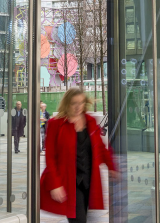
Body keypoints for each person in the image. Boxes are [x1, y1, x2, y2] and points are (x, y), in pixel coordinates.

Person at [41, 88, 118, 223]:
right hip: (68, 182)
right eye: (73, 103)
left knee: (84, 215)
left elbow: (100, 147)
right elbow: (50, 157)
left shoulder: (90, 122)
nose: (78, 107)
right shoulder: (55, 124)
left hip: (88, 179)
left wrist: (111, 166)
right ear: (66, 104)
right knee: (78, 219)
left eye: (81, 103)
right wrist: (55, 184)